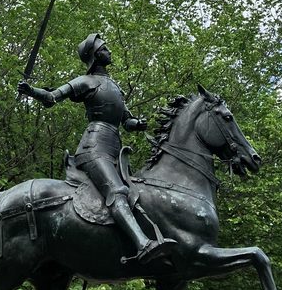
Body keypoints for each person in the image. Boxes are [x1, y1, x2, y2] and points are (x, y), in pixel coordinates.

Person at [18, 32, 172, 263]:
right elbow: (51, 98)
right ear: (95, 55)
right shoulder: (84, 82)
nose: (109, 51)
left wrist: (137, 124)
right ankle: (141, 244)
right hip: (94, 147)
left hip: (114, 149)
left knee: (136, 192)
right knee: (117, 192)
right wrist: (31, 91)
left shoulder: (114, 86)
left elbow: (126, 121)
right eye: (105, 48)